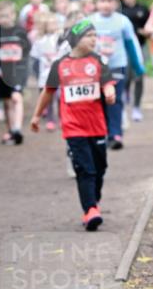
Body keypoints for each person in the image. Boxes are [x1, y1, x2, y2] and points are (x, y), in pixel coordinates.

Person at [30, 20, 116, 231]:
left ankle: (93, 201)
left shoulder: (98, 62)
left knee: (99, 168)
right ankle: (90, 210)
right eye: (89, 36)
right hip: (73, 126)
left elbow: (107, 83)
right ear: (76, 40)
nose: (94, 40)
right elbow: (48, 91)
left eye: (95, 36)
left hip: (96, 125)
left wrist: (109, 91)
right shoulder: (60, 65)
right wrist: (36, 116)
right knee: (84, 168)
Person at [88, 0, 145, 150]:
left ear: (116, 3)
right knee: (98, 101)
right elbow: (75, 39)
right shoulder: (89, 21)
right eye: (103, 1)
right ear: (96, 3)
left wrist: (138, 66)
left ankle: (115, 134)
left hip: (117, 65)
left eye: (110, 1)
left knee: (115, 99)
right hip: (96, 68)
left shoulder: (123, 21)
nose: (106, 5)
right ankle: (102, 132)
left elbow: (131, 44)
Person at [0, 0, 31, 144]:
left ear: (13, 15)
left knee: (17, 98)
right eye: (1, 16)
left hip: (17, 73)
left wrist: (24, 69)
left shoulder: (21, 32)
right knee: (7, 103)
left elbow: (26, 53)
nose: (3, 19)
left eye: (6, 16)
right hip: (2, 74)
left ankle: (17, 129)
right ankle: (11, 131)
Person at [117, 0, 150, 122]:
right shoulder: (118, 10)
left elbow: (149, 26)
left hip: (140, 48)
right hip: (123, 49)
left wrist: (147, 32)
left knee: (139, 76)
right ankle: (123, 105)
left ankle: (136, 107)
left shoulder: (143, 9)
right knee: (125, 78)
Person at [30, 12, 62, 132]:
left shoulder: (61, 38)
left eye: (55, 23)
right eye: (50, 23)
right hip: (45, 74)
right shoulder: (40, 41)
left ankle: (61, 118)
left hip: (59, 74)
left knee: (60, 97)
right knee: (49, 98)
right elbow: (35, 58)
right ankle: (50, 119)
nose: (53, 25)